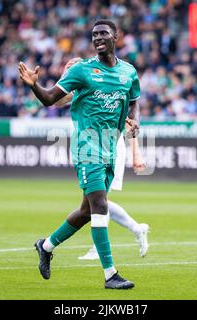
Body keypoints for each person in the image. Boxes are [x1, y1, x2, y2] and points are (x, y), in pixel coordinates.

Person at [19, 20, 141, 289]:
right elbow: (50, 98)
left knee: (86, 211)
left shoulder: (128, 72)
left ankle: (46, 245)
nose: (98, 38)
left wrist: (134, 120)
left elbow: (134, 101)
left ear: (115, 37)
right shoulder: (83, 70)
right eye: (94, 34)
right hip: (88, 148)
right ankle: (111, 275)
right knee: (100, 206)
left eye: (103, 33)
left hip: (111, 148)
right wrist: (33, 85)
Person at [56, 58, 149, 261]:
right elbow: (58, 100)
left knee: (97, 201)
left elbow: (131, 120)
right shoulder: (84, 88)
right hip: (91, 147)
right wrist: (64, 76)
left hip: (110, 146)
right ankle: (136, 228)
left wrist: (136, 152)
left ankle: (100, 248)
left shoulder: (109, 86)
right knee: (97, 201)